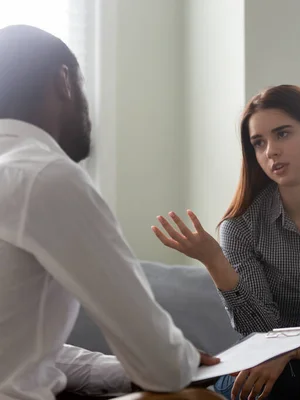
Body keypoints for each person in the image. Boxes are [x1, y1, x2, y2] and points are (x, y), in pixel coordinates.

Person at [0, 25, 220, 400]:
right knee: (190, 397)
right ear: (63, 82)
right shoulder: (46, 175)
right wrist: (178, 361)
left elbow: (18, 354)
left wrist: (124, 373)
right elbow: (163, 367)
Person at [152, 84, 300, 400]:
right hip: (262, 359)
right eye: (259, 143)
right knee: (277, 378)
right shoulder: (240, 226)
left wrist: (293, 350)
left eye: (282, 134)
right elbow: (259, 329)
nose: (271, 151)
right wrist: (215, 262)